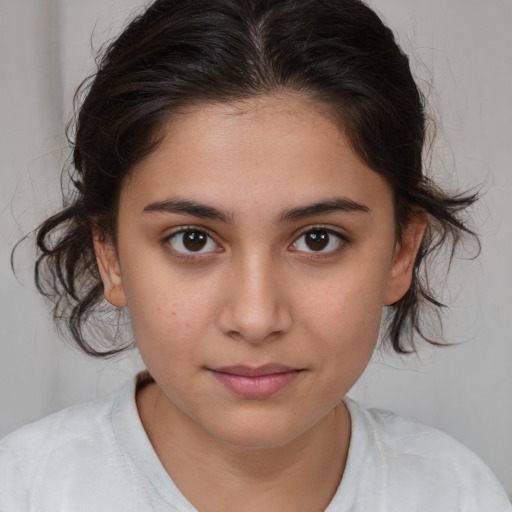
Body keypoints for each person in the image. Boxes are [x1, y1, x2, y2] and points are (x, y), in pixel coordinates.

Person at [1, 0, 510, 510]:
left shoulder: (456, 493)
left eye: (318, 239)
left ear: (401, 253)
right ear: (109, 255)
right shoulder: (22, 491)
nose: (255, 317)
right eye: (192, 239)